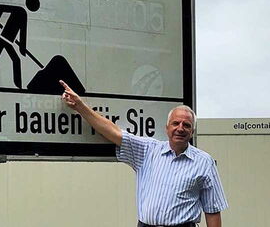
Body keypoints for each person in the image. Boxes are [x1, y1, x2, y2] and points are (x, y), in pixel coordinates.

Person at [60, 80, 228, 227]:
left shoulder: (204, 162)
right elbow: (113, 132)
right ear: (167, 128)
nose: (180, 128)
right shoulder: (148, 151)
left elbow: (212, 210)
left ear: (192, 132)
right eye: (176, 123)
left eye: (187, 125)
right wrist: (80, 106)